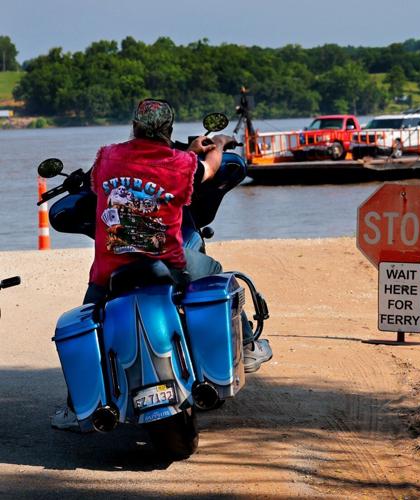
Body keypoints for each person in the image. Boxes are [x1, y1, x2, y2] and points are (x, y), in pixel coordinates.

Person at [51, 99, 272, 431]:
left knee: (90, 320)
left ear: (135, 127)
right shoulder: (180, 163)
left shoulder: (108, 156)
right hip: (168, 263)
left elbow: (94, 181)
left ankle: (75, 405)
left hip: (111, 269)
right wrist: (218, 145)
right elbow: (209, 169)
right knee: (216, 272)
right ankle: (247, 346)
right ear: (167, 131)